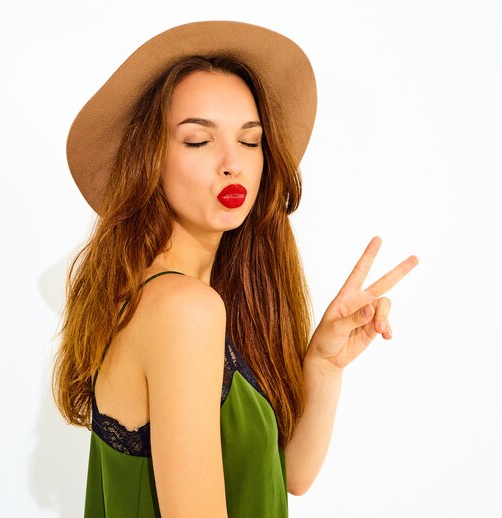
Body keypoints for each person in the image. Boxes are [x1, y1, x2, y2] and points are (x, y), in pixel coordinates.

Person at [52, 20, 419, 518]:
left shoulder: (182, 299)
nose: (233, 164)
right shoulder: (184, 309)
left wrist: (324, 366)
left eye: (250, 142)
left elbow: (289, 476)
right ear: (149, 159)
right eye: (198, 141)